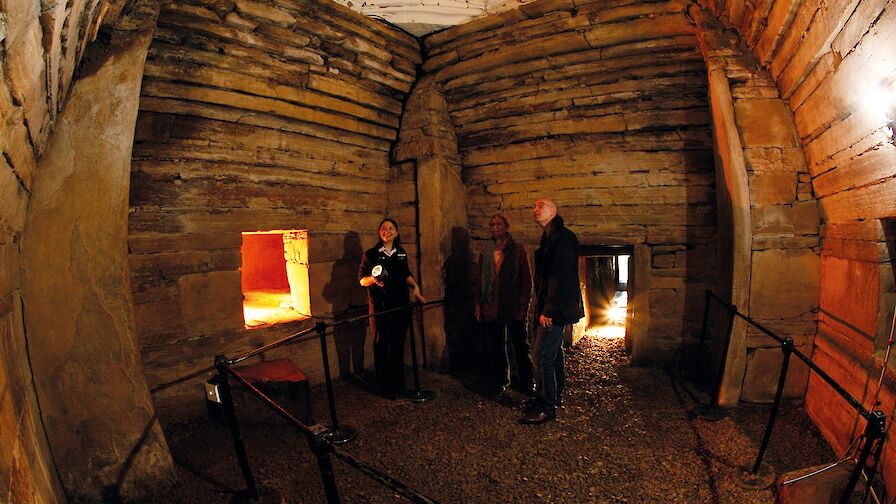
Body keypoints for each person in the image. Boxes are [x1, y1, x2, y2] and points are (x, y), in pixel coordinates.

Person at [520, 199, 584, 424]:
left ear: (554, 211)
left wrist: (549, 310)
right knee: (553, 353)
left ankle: (546, 406)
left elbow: (561, 277)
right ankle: (553, 397)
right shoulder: (551, 237)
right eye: (534, 206)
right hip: (551, 308)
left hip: (554, 310)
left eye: (541, 205)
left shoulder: (563, 238)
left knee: (541, 356)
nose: (535, 209)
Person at [359, 218, 425, 399]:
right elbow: (362, 280)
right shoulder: (371, 254)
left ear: (396, 233)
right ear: (379, 233)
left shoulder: (401, 253)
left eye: (390, 228)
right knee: (382, 345)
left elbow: (406, 275)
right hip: (380, 307)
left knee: (398, 344)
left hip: (400, 306)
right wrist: (374, 279)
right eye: (383, 228)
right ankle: (385, 387)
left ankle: (399, 384)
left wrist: (416, 287)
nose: (386, 231)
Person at [475, 214, 533, 398]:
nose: (495, 227)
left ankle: (527, 381)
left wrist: (523, 304)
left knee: (520, 345)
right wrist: (478, 305)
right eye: (492, 224)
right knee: (496, 346)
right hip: (492, 305)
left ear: (507, 227)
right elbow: (479, 281)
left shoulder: (517, 251)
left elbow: (526, 280)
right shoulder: (486, 252)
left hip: (513, 304)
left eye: (498, 224)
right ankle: (500, 381)